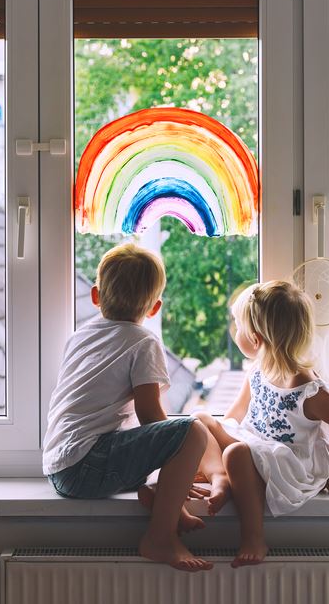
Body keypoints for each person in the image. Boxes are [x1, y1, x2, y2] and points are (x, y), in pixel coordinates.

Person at [42, 243, 225, 572]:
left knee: (168, 441)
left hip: (59, 466)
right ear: (154, 308)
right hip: (87, 464)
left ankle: (162, 497)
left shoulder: (78, 337)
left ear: (96, 296)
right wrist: (180, 452)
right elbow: (150, 415)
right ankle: (159, 536)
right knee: (192, 431)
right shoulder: (143, 341)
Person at [197, 280, 329, 568]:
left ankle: (254, 536)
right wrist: (217, 432)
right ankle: (219, 476)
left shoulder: (306, 386)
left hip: (286, 461)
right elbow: (234, 415)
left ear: (256, 339)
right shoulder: (257, 370)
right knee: (200, 420)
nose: (235, 335)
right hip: (254, 442)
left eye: (239, 329)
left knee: (235, 453)